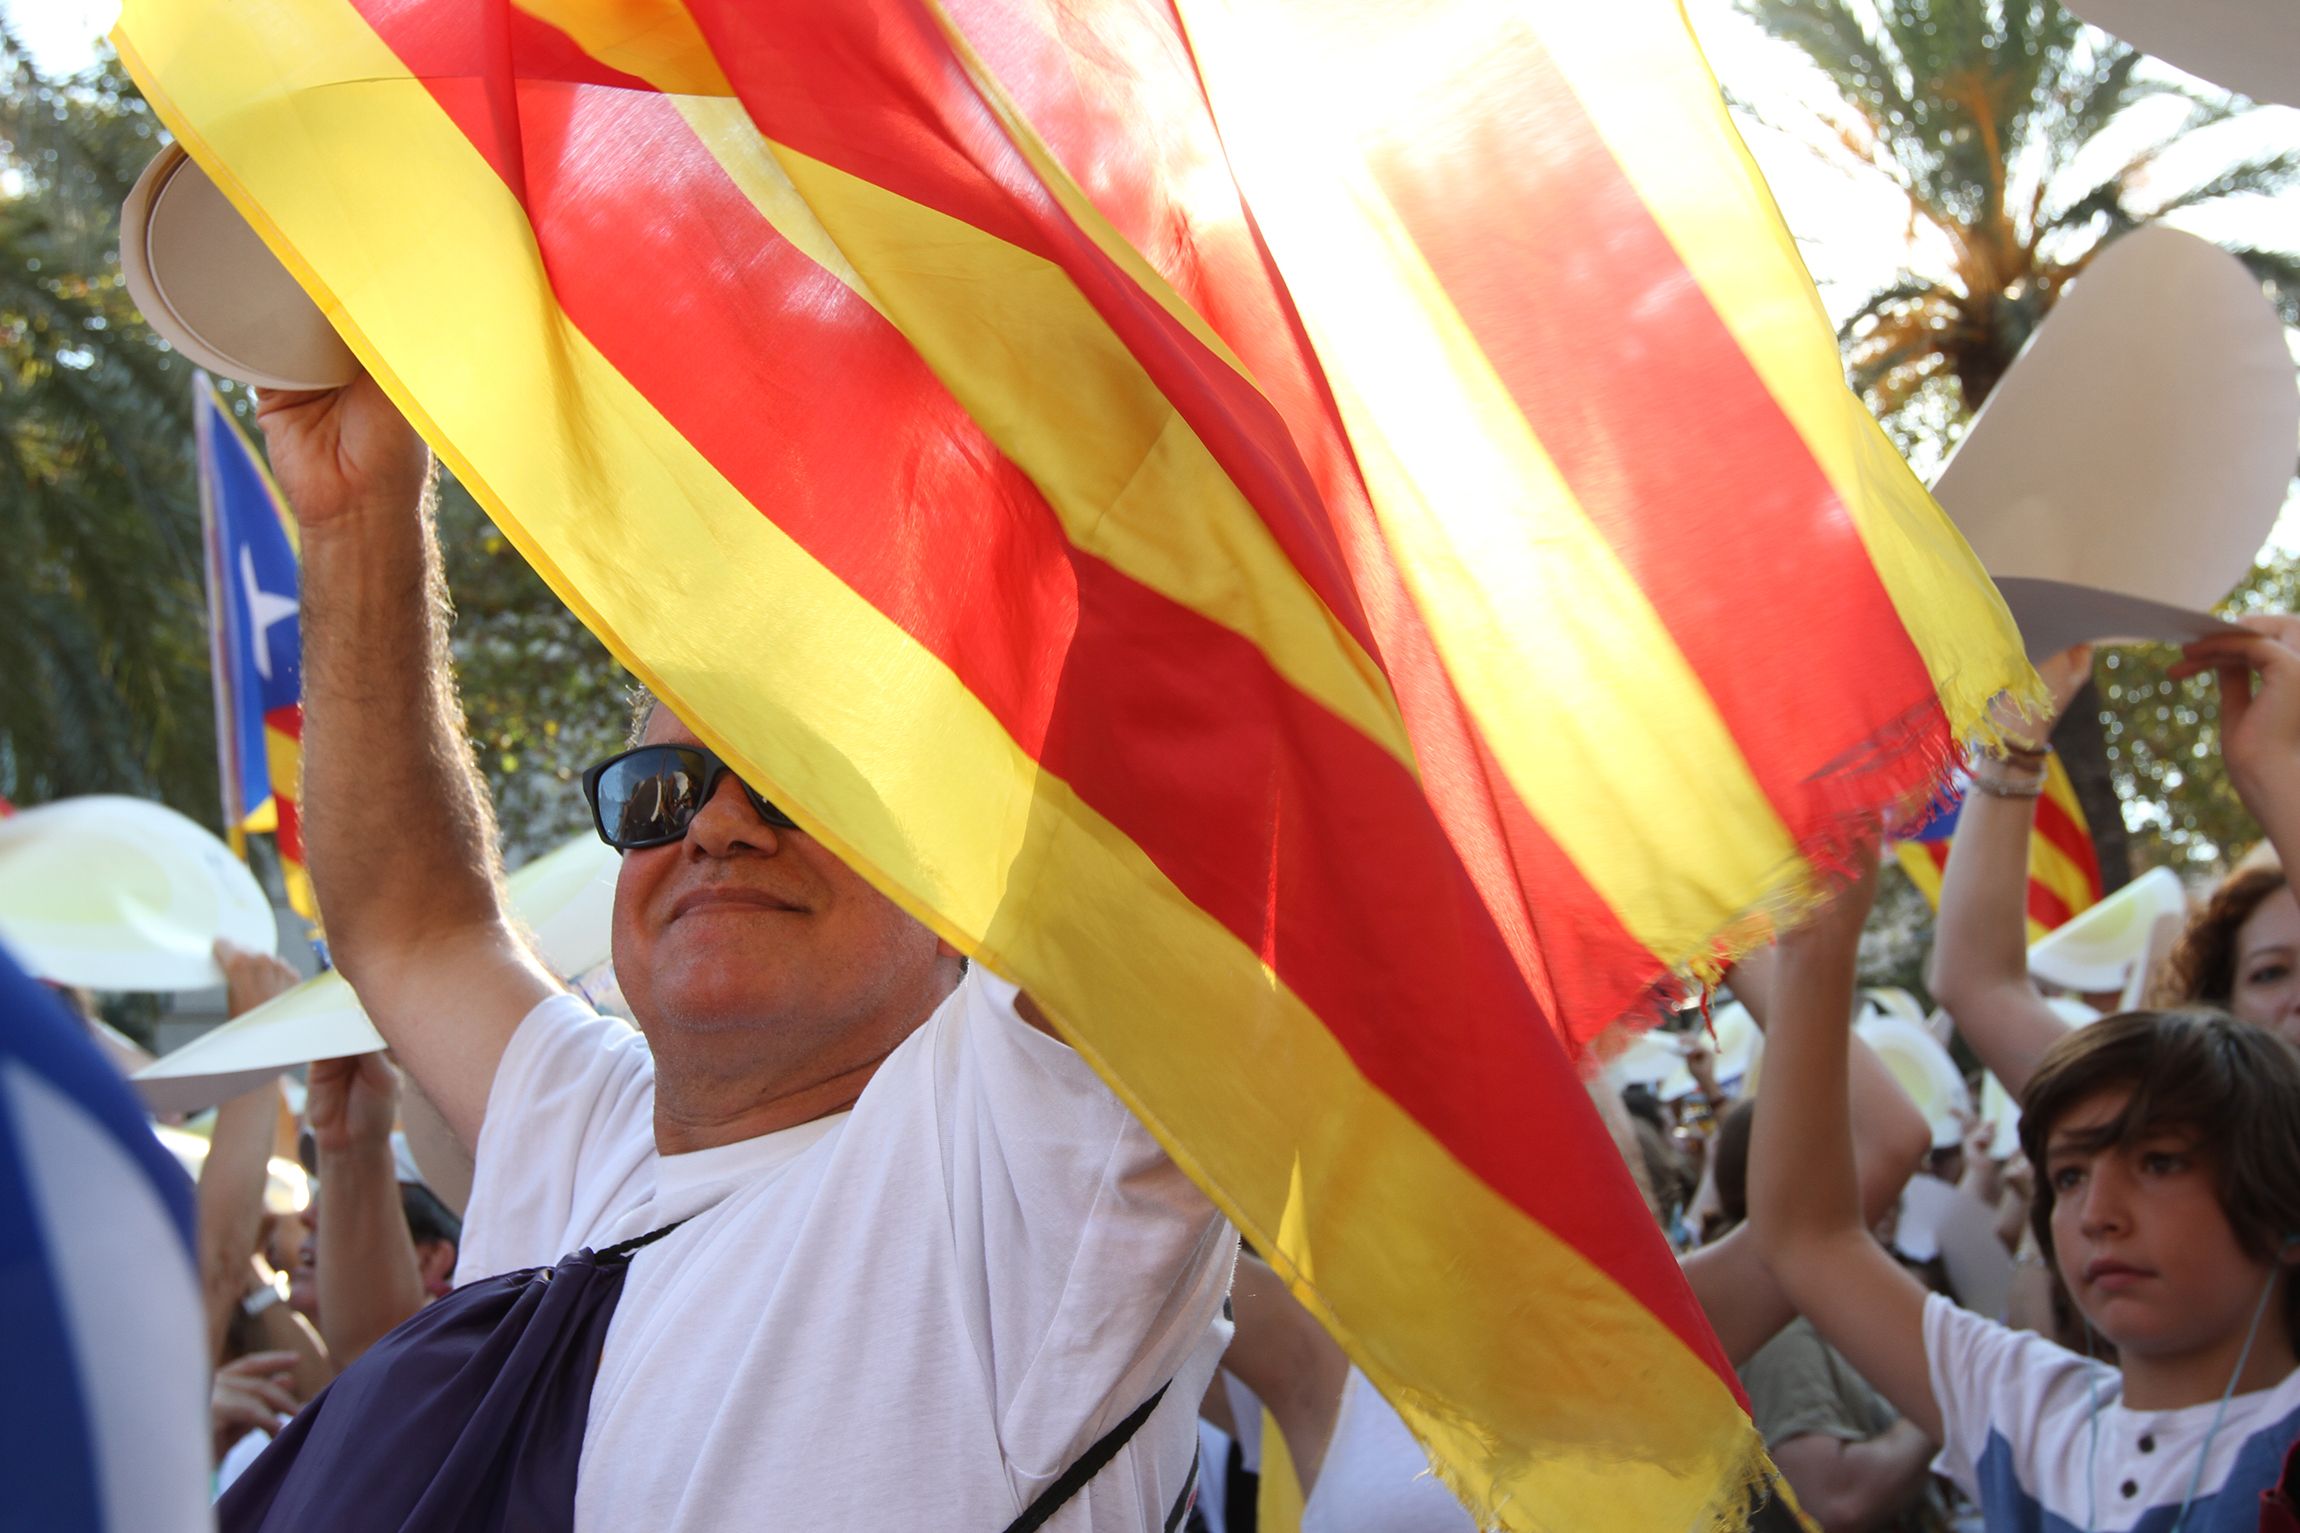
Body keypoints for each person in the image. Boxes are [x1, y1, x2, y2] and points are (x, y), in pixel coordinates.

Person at [219, 372, 1232, 1531]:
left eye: (799, 788)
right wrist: (357, 515)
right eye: (662, 791)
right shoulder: (590, 1142)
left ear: (960, 897)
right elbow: (411, 925)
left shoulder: (1018, 1168)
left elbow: (1173, 696)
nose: (714, 824)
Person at [1751, 845, 2300, 1527]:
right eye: (2068, 1175)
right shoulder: (2031, 1414)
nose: (2097, 1214)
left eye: (2159, 1162)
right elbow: (1808, 1235)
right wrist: (1807, 945)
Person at [1931, 627, 2300, 1101]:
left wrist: (2270, 769)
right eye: (2269, 972)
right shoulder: (2165, 1119)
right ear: (2221, 1001)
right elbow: (1979, 984)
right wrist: (2014, 749)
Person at [1709, 1102, 1938, 1533]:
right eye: (1849, 1164)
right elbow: (1835, 1500)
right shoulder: (1780, 1330)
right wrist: (1946, 1395)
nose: (1892, 1193)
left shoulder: (1816, 1301)